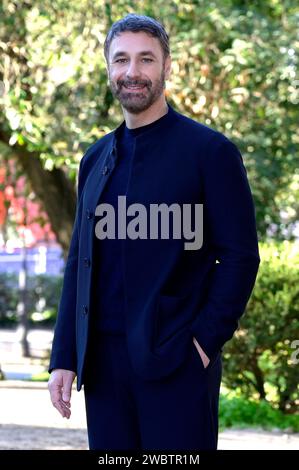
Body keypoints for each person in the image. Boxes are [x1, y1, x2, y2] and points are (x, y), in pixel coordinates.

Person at [48, 13, 260, 450]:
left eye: (146, 59)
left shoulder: (210, 153)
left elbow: (240, 255)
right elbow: (80, 263)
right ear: (108, 67)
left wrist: (203, 343)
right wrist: (64, 356)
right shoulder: (95, 158)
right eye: (121, 59)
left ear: (166, 67)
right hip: (104, 368)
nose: (132, 72)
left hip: (177, 360)